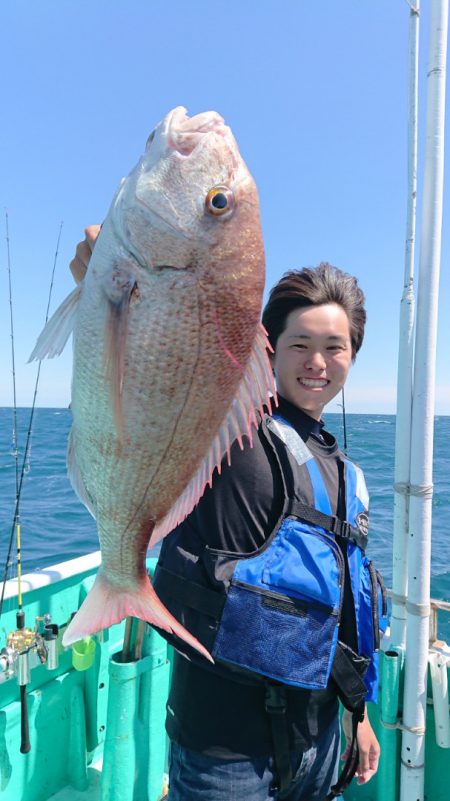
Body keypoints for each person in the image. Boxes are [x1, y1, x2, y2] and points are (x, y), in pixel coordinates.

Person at [71, 232, 386, 801]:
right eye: (300, 344)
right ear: (268, 347)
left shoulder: (346, 474)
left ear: (353, 357)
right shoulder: (228, 426)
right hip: (224, 751)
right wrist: (111, 284)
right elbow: (161, 366)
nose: (318, 363)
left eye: (336, 347)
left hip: (318, 743)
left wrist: (358, 715)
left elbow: (343, 605)